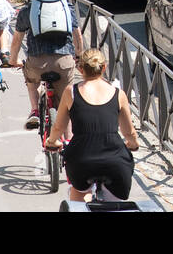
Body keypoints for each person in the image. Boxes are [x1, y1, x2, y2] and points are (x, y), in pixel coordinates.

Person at [45, 48, 138, 202]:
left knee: (80, 193)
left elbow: (58, 127)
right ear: (104, 67)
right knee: (114, 203)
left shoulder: (71, 92)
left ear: (80, 69)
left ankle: (80, 203)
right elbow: (129, 132)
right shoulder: (118, 93)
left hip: (82, 159)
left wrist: (52, 141)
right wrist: (132, 144)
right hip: (114, 160)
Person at [6, 0, 83, 130]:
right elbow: (77, 36)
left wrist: (13, 60)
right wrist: (79, 56)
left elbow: (16, 41)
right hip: (64, 63)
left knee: (30, 78)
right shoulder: (66, 8)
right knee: (65, 107)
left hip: (37, 64)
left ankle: (35, 109)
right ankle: (67, 143)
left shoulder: (27, 11)